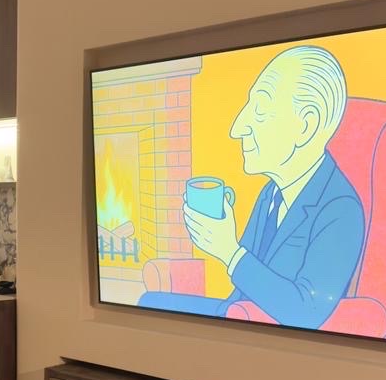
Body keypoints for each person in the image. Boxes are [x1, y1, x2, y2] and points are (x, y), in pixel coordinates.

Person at [138, 45, 365, 328]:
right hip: (237, 318)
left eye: (259, 110)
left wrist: (229, 251)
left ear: (306, 125)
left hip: (270, 337)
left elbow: (307, 313)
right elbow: (242, 284)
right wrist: (215, 236)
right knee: (148, 303)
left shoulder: (341, 208)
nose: (237, 128)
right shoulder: (271, 193)